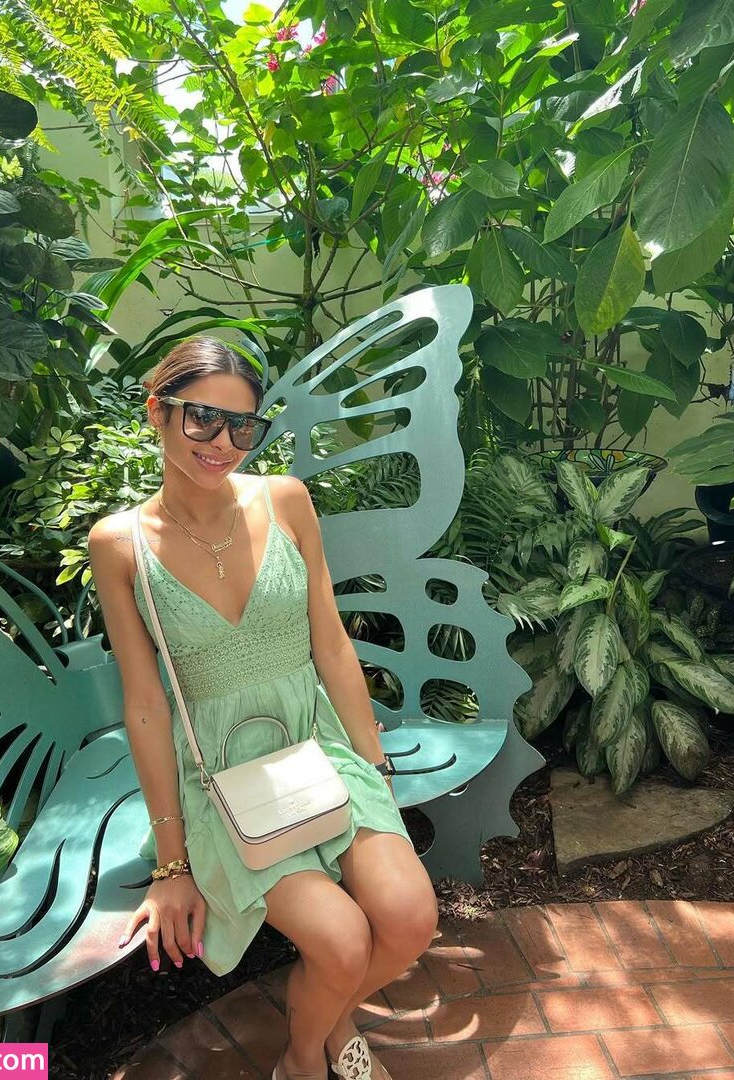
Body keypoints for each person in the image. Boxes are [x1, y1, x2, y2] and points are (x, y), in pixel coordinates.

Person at [89, 337, 438, 1080]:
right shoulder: (120, 545)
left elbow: (332, 645)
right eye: (202, 419)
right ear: (157, 412)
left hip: (317, 747)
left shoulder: (285, 501)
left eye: (242, 425)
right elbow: (146, 705)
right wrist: (172, 863)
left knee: (411, 920)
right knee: (341, 942)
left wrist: (375, 770)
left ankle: (322, 1025)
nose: (223, 443)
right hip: (219, 777)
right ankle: (305, 1061)